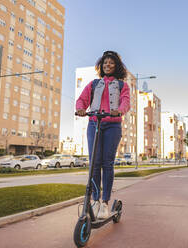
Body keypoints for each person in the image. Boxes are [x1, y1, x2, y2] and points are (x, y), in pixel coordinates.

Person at [76, 51, 130, 219]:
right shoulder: (94, 84)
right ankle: (95, 200)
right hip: (94, 123)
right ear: (101, 65)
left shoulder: (122, 85)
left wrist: (119, 111)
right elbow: (82, 99)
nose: (108, 65)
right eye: (105, 62)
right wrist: (81, 108)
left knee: (107, 163)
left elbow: (126, 102)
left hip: (113, 126)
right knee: (94, 163)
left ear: (117, 66)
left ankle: (105, 202)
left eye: (111, 63)